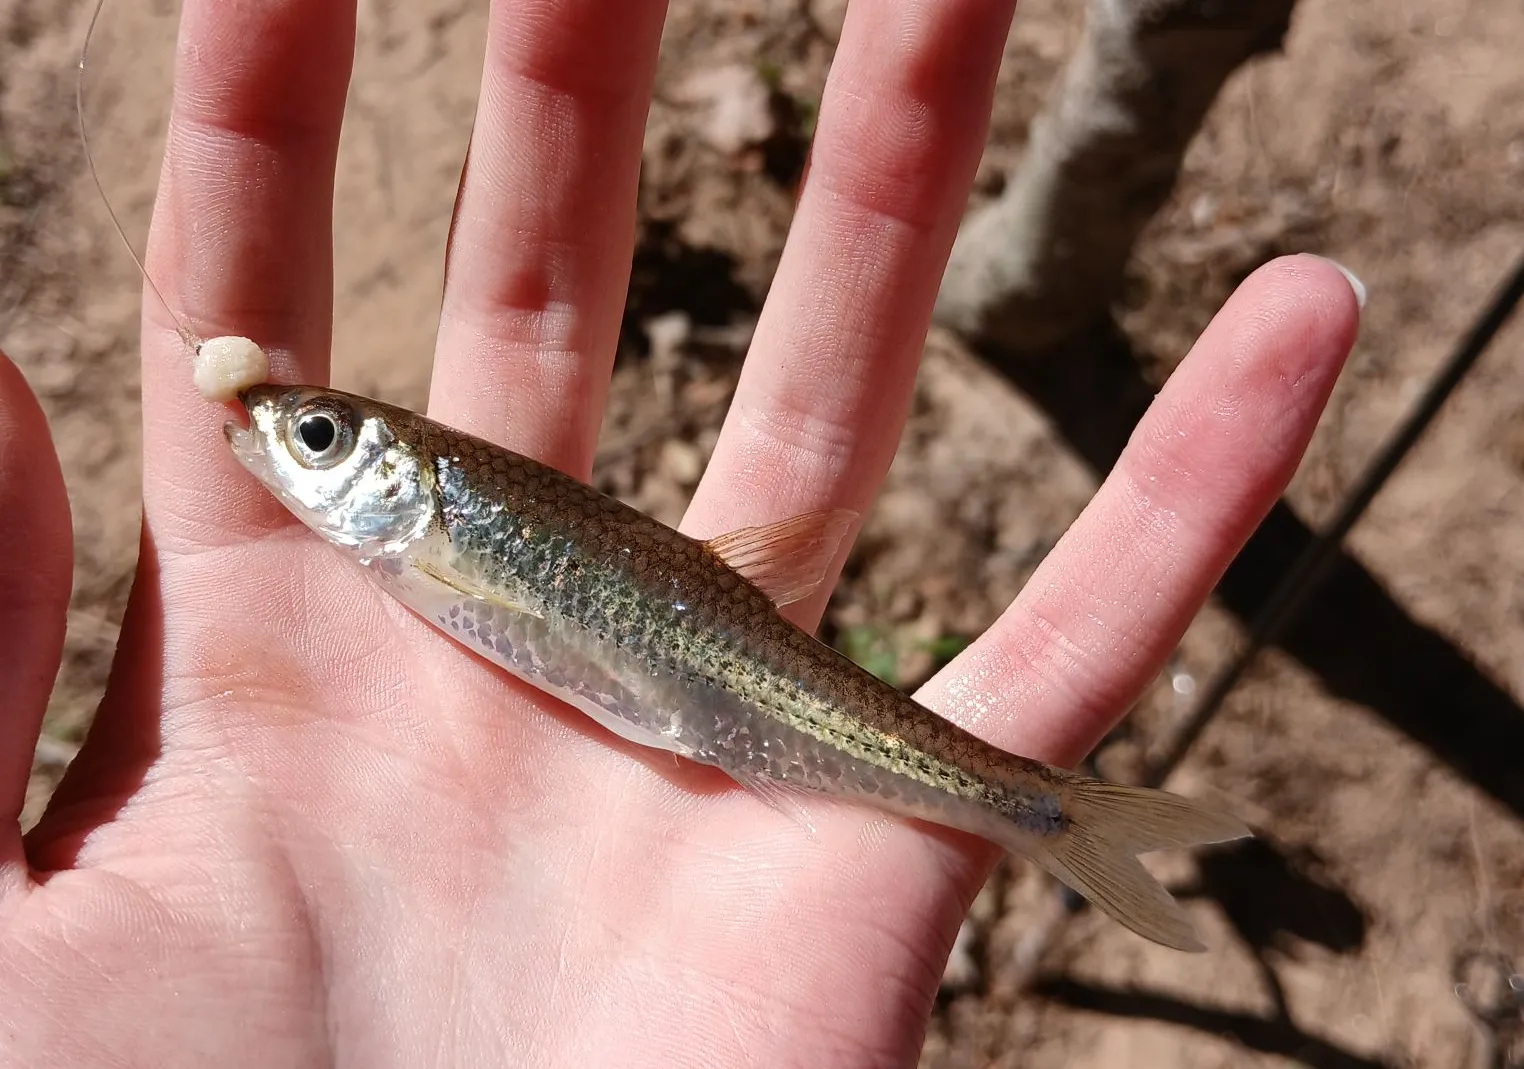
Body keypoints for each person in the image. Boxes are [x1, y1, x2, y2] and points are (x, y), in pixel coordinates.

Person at [0, 0, 1361, 1064]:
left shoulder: (430, 523)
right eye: (320, 436)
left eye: (320, 441)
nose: (290, 449)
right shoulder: (418, 526)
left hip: (732, 686)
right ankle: (1046, 810)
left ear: (402, 488)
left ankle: (1046, 810)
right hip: (720, 682)